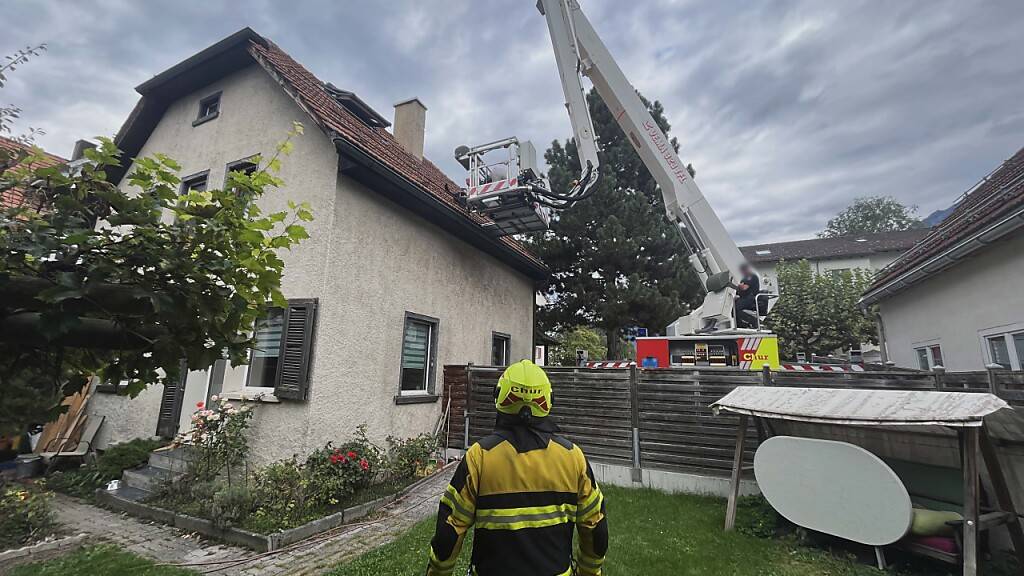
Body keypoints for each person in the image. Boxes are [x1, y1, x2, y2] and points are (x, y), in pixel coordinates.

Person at [425, 360, 608, 576]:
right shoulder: (572, 457)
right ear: (548, 400)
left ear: (500, 397)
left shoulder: (480, 457)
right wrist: (588, 572)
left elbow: (450, 531)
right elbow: (596, 527)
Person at [734, 262, 761, 329]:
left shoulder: (752, 277)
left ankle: (753, 321)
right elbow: (740, 289)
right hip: (743, 297)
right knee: (732, 308)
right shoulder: (744, 279)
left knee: (737, 308)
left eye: (744, 270)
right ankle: (740, 325)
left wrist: (739, 286)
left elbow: (744, 287)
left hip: (751, 297)